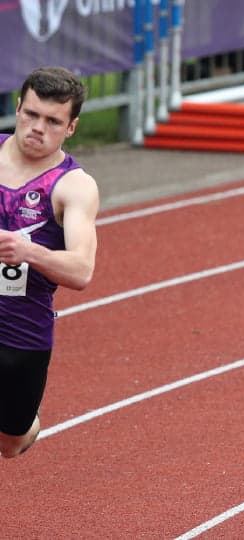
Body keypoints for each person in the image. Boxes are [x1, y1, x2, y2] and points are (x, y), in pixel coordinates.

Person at [0, 67, 99, 459]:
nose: (38, 128)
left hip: (21, 332)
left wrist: (29, 252)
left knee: (10, 443)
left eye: (53, 121)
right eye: (31, 115)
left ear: (70, 127)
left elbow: (82, 271)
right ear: (19, 107)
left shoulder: (73, 186)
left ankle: (27, 427)